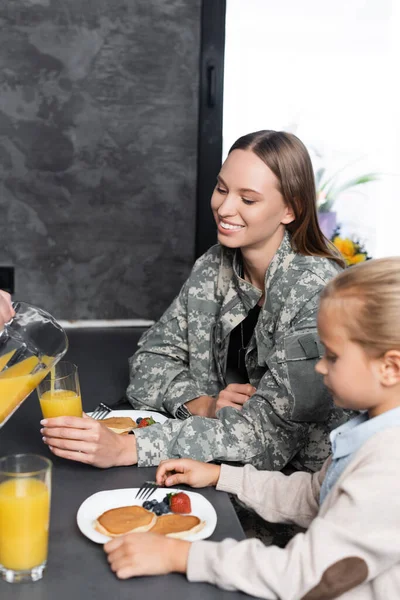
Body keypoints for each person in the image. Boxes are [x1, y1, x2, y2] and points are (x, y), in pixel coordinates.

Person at [40, 130, 347, 472]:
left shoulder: (317, 292)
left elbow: (269, 441)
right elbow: (149, 361)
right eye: (221, 189)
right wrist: (201, 403)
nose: (224, 207)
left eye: (248, 199)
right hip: (211, 468)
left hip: (296, 495)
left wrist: (129, 448)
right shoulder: (214, 264)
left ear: (291, 209)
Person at [104, 257, 400, 600]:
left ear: (390, 368)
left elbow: (302, 575)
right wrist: (219, 476)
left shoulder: (388, 467)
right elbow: (313, 496)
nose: (319, 366)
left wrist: (179, 556)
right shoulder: (373, 432)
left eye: (332, 356)